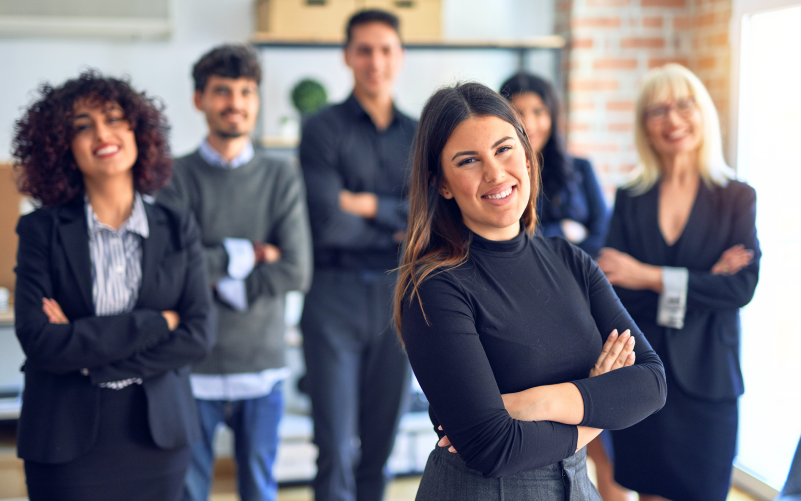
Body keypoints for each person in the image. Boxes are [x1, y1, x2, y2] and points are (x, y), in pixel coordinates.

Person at [395, 81, 667, 500]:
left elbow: (651, 382)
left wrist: (530, 404)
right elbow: (493, 447)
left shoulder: (570, 259)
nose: (495, 173)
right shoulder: (435, 288)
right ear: (442, 184)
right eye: (468, 160)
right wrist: (599, 402)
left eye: (504, 149)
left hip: (576, 485)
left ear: (526, 152)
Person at [12, 70, 214, 501]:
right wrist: (158, 321)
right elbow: (39, 340)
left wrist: (87, 353)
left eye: (114, 118)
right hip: (64, 438)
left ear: (138, 131)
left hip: (158, 436)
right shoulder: (39, 230)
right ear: (62, 147)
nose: (102, 133)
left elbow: (198, 334)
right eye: (82, 126)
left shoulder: (178, 225)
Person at [597, 64, 760, 501]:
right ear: (644, 127)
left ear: (703, 112)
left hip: (709, 379)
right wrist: (702, 280)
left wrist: (648, 275)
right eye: (658, 110)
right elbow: (613, 287)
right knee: (648, 492)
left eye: (684, 105)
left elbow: (740, 289)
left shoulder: (736, 197)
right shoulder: (631, 197)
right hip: (644, 375)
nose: (673, 119)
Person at [156, 44, 312, 501]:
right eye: (223, 91)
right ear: (199, 99)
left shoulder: (281, 176)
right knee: (187, 491)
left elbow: (297, 270)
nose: (236, 103)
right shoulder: (173, 177)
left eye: (246, 91)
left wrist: (215, 272)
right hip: (192, 366)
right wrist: (246, 254)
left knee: (259, 491)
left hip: (261, 366)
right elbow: (170, 270)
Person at [298, 9, 416, 501]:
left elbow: (426, 219)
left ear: (400, 57)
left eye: (385, 50)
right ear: (347, 56)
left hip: (400, 295)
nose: (375, 61)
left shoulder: (420, 133)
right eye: (364, 50)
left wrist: (364, 204)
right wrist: (396, 219)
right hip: (333, 296)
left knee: (381, 446)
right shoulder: (321, 129)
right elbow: (326, 223)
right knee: (334, 447)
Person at [500, 72, 608, 257]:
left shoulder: (581, 168)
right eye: (518, 113)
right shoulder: (500, 177)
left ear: (552, 115)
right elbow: (507, 240)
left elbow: (603, 235)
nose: (529, 125)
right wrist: (561, 230)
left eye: (538, 111)